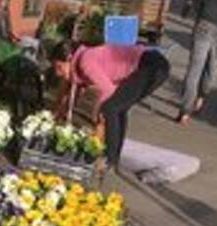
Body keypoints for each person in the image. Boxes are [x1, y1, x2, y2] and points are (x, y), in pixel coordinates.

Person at [51, 39, 170, 170]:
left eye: (59, 67)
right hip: (154, 66)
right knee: (119, 108)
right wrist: (56, 115)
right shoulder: (79, 63)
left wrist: (97, 115)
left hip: (150, 66)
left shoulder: (85, 60)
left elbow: (107, 90)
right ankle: (113, 158)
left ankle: (108, 160)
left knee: (110, 108)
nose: (58, 73)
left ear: (69, 58)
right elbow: (69, 96)